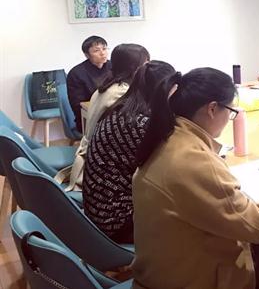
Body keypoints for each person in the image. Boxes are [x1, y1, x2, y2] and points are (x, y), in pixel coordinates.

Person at [132, 67, 259, 289]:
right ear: (212, 109)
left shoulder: (169, 136)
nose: (230, 119)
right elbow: (258, 225)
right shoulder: (193, 160)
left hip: (164, 270)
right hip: (190, 279)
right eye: (231, 112)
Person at [83, 60, 175, 243]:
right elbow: (169, 170)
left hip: (98, 210)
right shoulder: (141, 124)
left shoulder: (121, 110)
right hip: (117, 221)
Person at [59, 43, 150, 191]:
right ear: (134, 68)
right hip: (101, 167)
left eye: (104, 48)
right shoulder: (122, 94)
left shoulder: (109, 85)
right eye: (146, 64)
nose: (149, 69)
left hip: (95, 155)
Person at [67, 35, 111, 131]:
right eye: (96, 50)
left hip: (112, 114)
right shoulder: (76, 73)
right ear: (87, 55)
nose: (102, 53)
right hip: (89, 119)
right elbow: (77, 105)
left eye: (104, 49)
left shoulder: (114, 67)